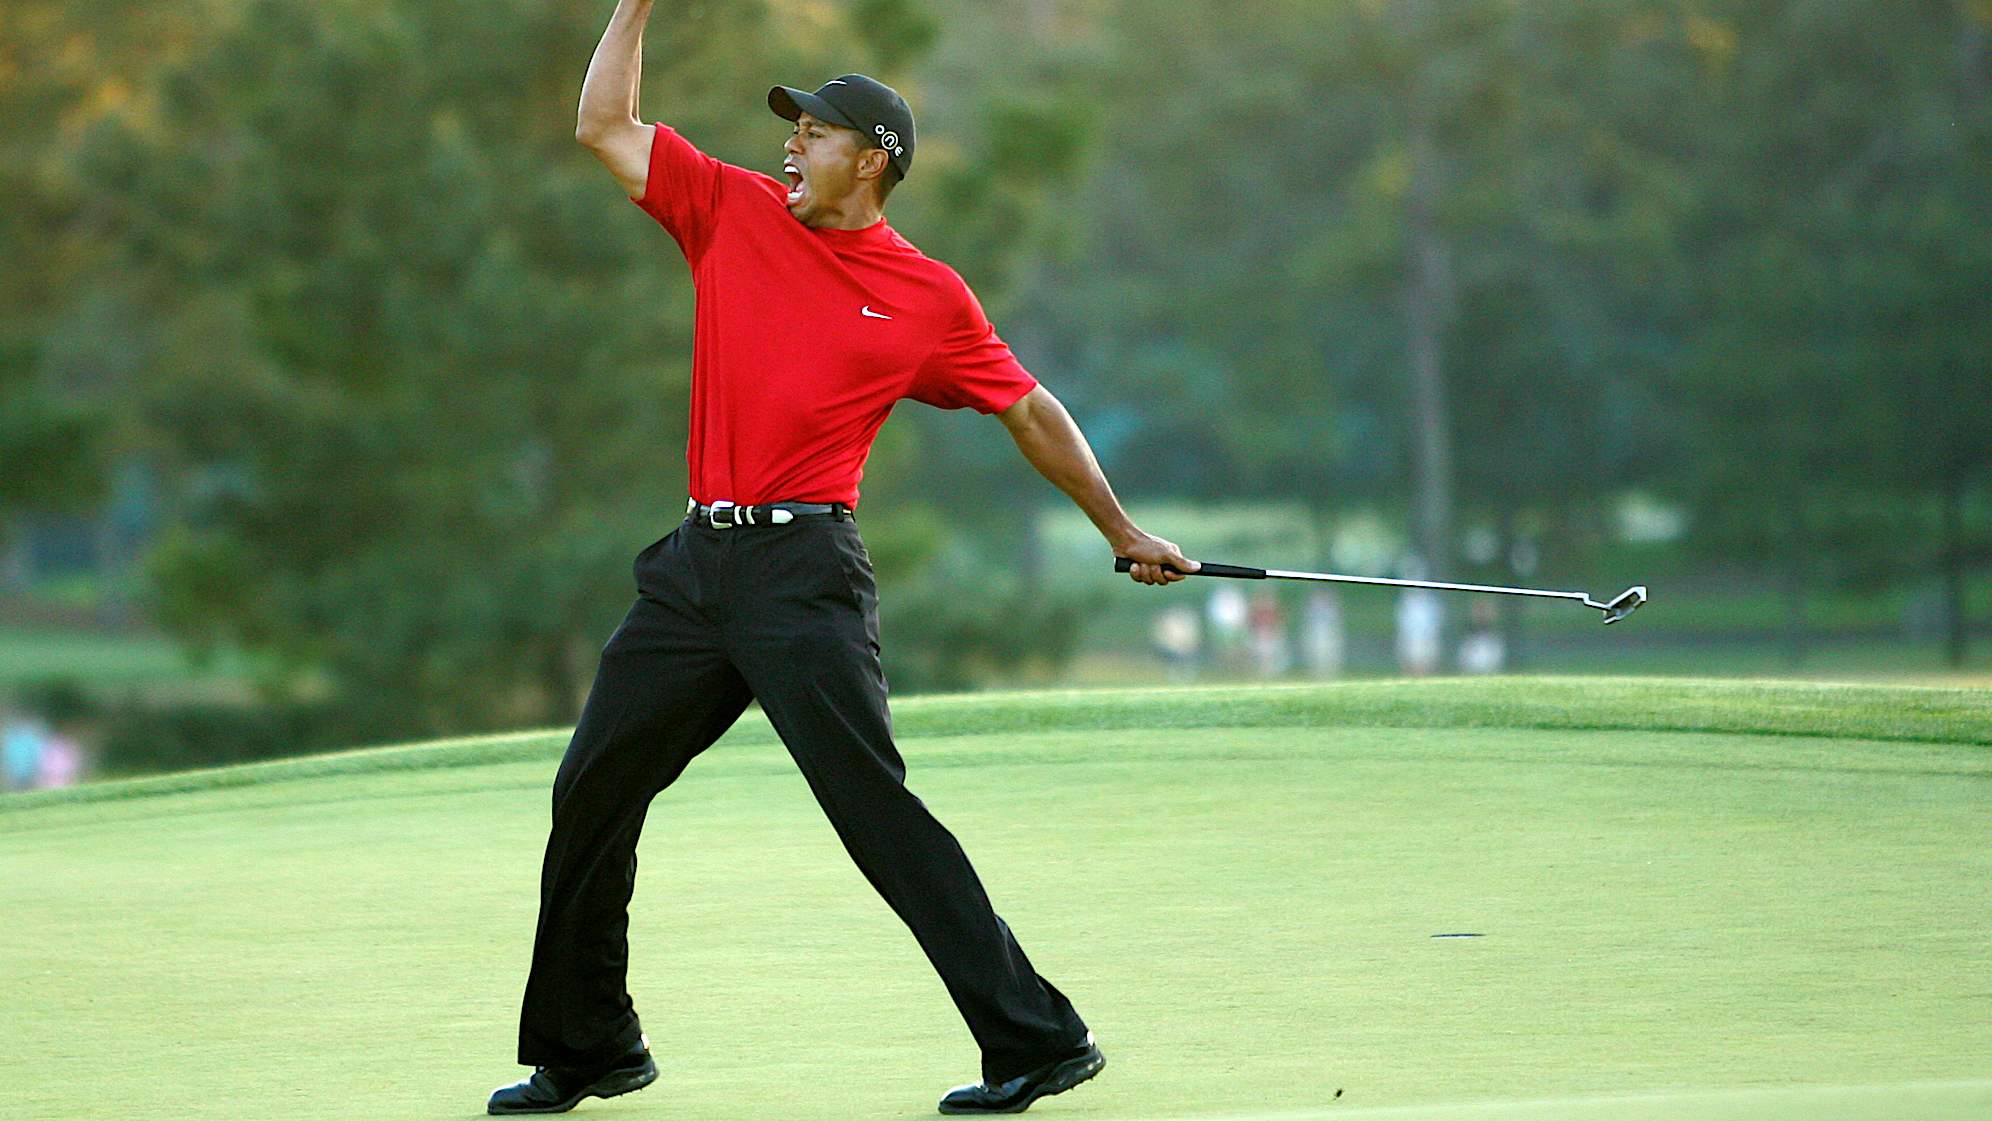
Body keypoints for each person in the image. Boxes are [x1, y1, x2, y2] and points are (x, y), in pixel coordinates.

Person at [487, 2, 1201, 1115]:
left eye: (813, 133)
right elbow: (603, 124)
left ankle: (1038, 1038)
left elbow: (1028, 410)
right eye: (793, 129)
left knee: (874, 809)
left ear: (872, 161)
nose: (791, 144)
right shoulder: (728, 210)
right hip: (693, 569)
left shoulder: (926, 294)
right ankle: (589, 1047)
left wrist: (1120, 529)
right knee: (591, 787)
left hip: (803, 575)